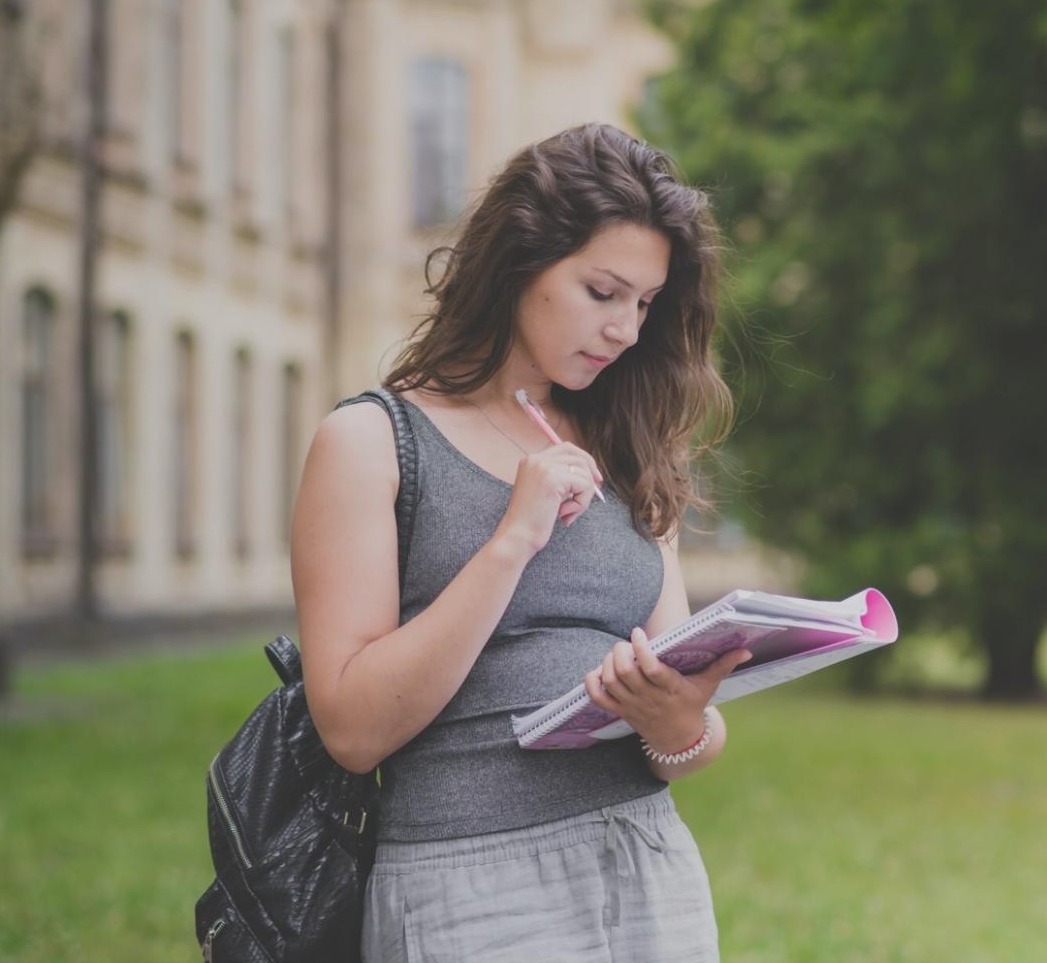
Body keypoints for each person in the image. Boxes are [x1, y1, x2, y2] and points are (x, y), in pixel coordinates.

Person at [290, 123, 751, 962]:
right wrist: (512, 540)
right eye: (603, 292)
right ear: (519, 263)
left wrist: (679, 722)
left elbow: (687, 739)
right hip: (471, 889)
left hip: (650, 868)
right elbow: (352, 729)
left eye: (645, 305)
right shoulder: (371, 442)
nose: (625, 330)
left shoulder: (633, 448)